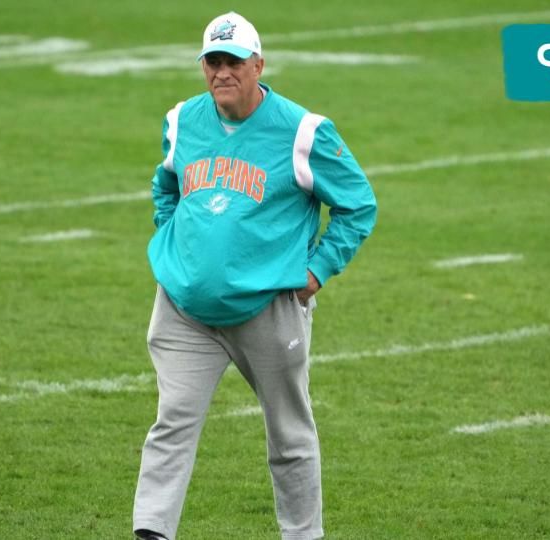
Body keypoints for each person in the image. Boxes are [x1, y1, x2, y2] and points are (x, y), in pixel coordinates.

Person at [133, 11, 376, 540]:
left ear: (258, 65)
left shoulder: (303, 131)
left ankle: (303, 535)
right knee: (171, 422)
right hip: (183, 309)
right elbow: (166, 185)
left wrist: (317, 269)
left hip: (267, 308)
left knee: (289, 436)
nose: (222, 73)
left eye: (234, 62)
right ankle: (151, 531)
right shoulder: (182, 120)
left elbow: (358, 204)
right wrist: (175, 241)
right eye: (213, 62)